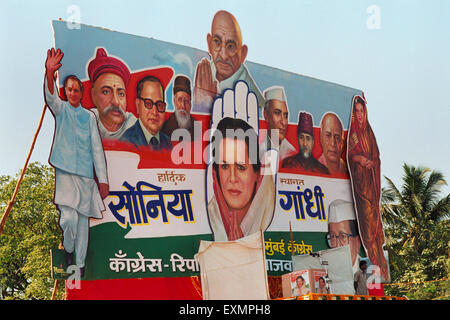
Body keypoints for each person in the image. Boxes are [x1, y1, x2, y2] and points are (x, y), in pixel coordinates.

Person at [44, 48, 109, 277]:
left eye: (76, 89)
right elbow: (51, 96)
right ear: (66, 92)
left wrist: (103, 180)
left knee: (83, 225)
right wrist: (49, 72)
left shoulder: (89, 117)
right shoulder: (61, 109)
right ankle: (69, 248)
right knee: (69, 219)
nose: (72, 93)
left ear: (81, 93)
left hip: (85, 177)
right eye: (69, 89)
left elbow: (97, 149)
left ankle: (78, 264)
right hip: (65, 174)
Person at [207, 117, 275, 241]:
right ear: (215, 173)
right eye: (225, 166)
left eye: (241, 167)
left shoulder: (273, 221)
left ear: (257, 174)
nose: (232, 178)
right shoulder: (205, 221)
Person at [348, 96, 389, 281]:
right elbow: (350, 155)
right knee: (367, 230)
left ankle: (382, 272)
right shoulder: (353, 134)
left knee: (376, 230)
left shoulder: (369, 133)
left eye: (361, 111)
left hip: (372, 186)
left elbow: (377, 157)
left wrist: (371, 162)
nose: (359, 115)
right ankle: (376, 268)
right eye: (356, 111)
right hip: (361, 187)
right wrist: (359, 159)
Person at [193, 10, 264, 112]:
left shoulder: (253, 101)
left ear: (243, 53)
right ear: (209, 44)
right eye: (217, 42)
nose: (223, 55)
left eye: (231, 46)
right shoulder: (204, 73)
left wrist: (205, 105)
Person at [88, 47, 137, 140]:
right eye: (106, 92)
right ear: (93, 95)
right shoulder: (87, 122)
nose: (116, 102)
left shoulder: (134, 128)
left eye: (121, 94)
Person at [120, 76, 172, 150]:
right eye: (148, 103)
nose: (154, 112)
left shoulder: (168, 143)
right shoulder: (126, 143)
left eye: (159, 105)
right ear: (138, 106)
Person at [261, 86, 296, 161]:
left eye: (286, 115)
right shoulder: (256, 149)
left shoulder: (291, 154)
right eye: (277, 113)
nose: (283, 122)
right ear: (266, 115)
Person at [327, 199, 362, 274]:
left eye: (343, 236)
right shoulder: (327, 275)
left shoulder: (370, 273)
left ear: (357, 243)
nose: (337, 246)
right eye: (332, 236)